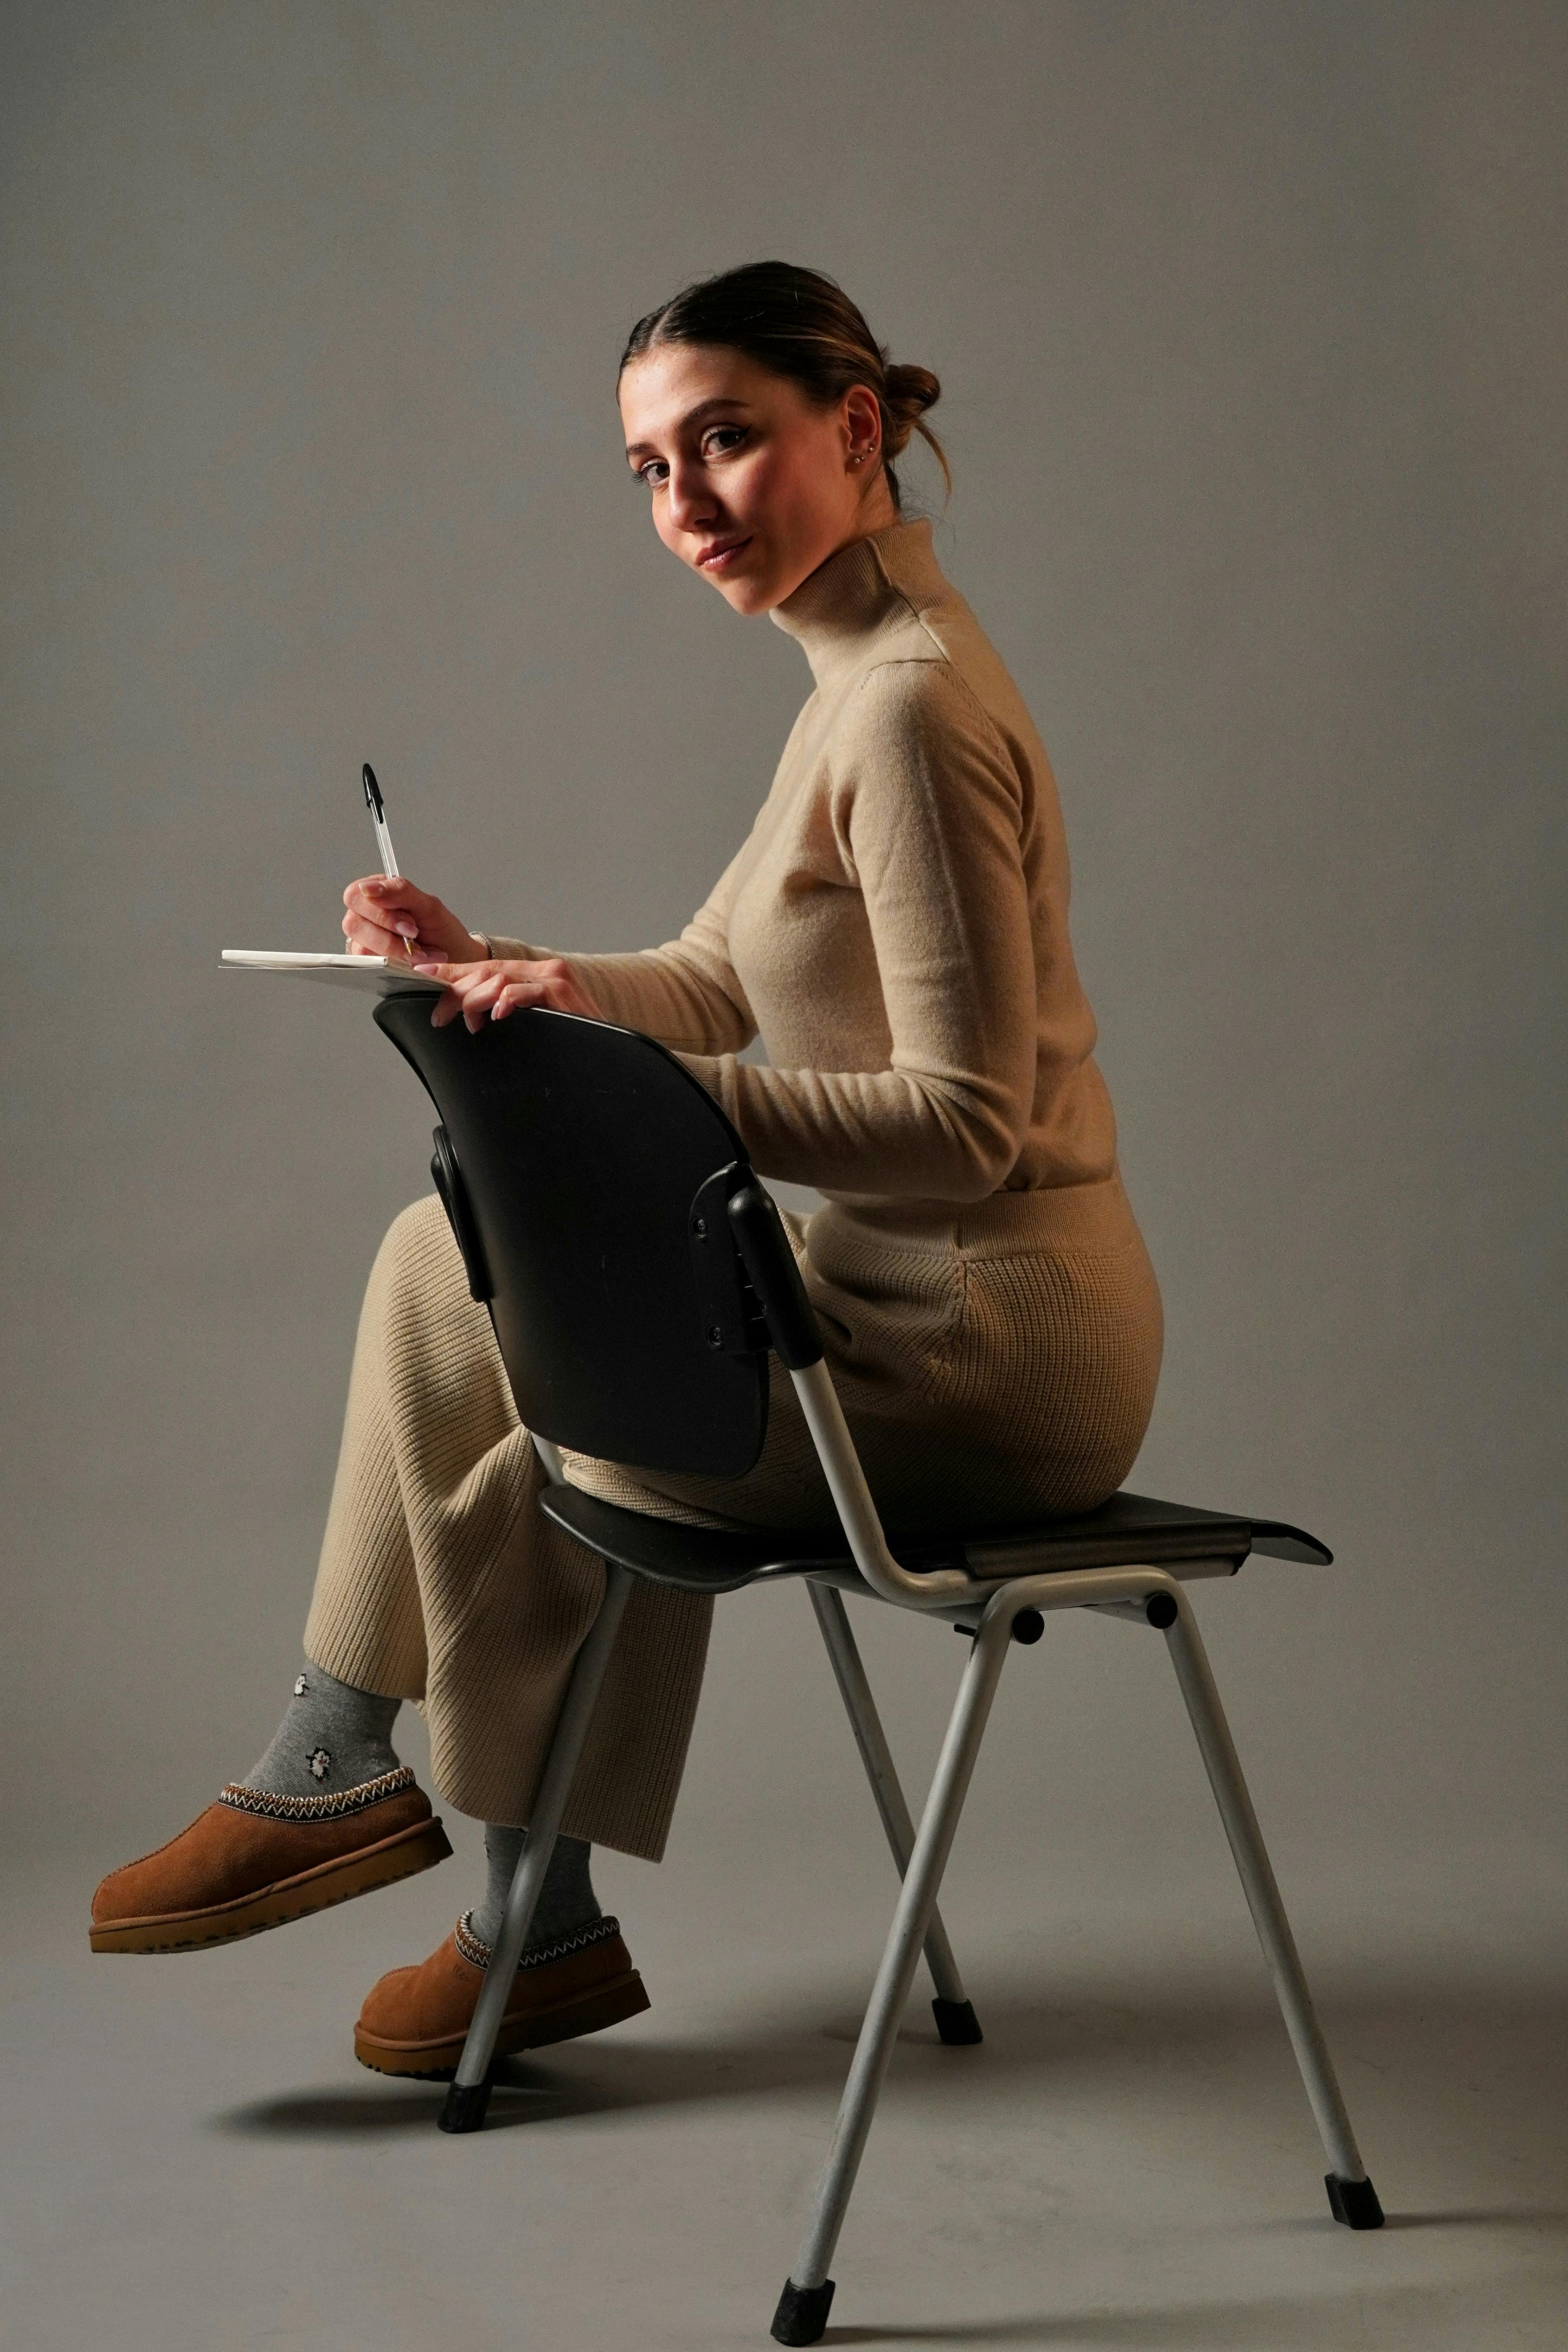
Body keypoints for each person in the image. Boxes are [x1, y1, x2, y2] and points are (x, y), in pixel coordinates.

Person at [91, 261, 1163, 2081]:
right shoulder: (852, 680)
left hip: (993, 1352)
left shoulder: (906, 708)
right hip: (891, 1301)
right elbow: (724, 977)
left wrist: (652, 1102)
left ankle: (528, 1907)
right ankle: (345, 1758)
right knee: (446, 1264)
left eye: (724, 441)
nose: (686, 504)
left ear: (855, 426)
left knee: (581, 1406)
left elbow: (968, 1124)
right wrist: (492, 963)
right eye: (652, 469)